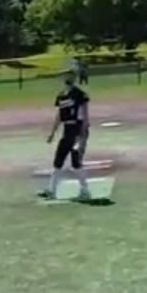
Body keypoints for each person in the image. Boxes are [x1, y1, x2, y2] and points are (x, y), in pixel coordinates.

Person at [42, 70, 92, 201]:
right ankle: (52, 190)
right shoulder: (61, 96)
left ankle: (85, 191)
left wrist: (82, 133)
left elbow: (85, 115)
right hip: (67, 129)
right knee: (59, 160)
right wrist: (53, 133)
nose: (68, 79)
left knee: (76, 161)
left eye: (70, 76)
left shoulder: (79, 94)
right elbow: (59, 116)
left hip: (77, 129)